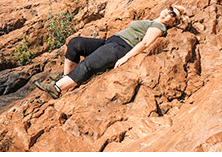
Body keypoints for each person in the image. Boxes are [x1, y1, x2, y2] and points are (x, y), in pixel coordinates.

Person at [32, 8, 181, 97]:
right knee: (75, 43)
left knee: (88, 64)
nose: (169, 12)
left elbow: (145, 43)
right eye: (170, 9)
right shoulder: (152, 21)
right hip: (110, 42)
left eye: (173, 14)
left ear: (173, 23)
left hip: (121, 47)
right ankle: (66, 78)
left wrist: (126, 58)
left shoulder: (159, 27)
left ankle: (57, 88)